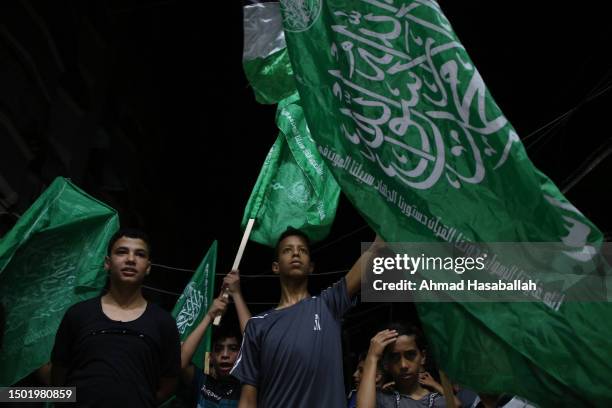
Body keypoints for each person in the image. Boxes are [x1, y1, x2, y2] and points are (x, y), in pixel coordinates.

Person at [231, 227, 382, 407]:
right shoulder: (257, 326)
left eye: (302, 250)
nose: (296, 253)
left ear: (311, 266)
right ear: (275, 266)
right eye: (288, 250)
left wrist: (384, 227)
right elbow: (248, 398)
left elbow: (374, 251)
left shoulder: (328, 305)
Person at [51, 228, 181, 407]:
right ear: (107, 263)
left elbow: (167, 386)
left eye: (140, 254)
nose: (130, 259)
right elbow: (59, 379)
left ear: (148, 267)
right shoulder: (78, 314)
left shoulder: (163, 323)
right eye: (122, 252)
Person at [180, 270, 251, 408]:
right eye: (218, 349)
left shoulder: (248, 389)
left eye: (233, 348)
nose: (225, 355)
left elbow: (253, 341)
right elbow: (181, 361)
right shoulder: (201, 382)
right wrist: (209, 316)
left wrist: (236, 294)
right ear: (210, 356)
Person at [357, 323, 455, 408]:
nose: (403, 365)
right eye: (395, 357)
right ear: (386, 363)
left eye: (410, 355)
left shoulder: (439, 402)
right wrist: (372, 357)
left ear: (423, 357)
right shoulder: (381, 399)